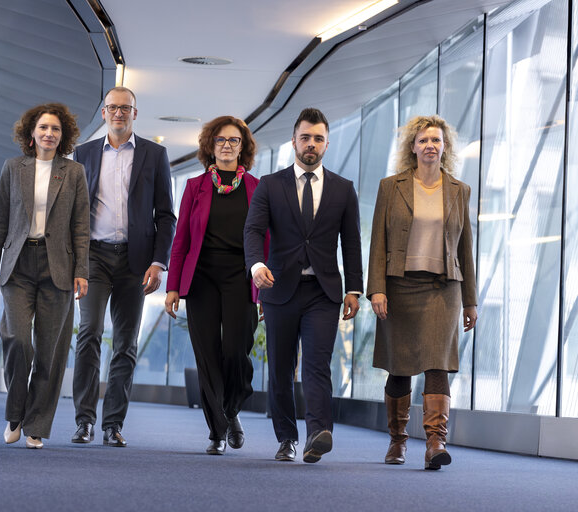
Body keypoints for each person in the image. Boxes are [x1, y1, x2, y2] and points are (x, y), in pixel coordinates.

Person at [244, 107, 363, 463]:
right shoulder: (270, 184)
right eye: (306, 137)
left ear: (327, 143)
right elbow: (253, 231)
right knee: (280, 368)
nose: (311, 144)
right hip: (279, 288)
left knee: (316, 364)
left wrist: (354, 289)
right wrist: (256, 265)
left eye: (319, 139)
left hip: (322, 292)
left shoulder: (343, 189)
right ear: (294, 140)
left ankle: (317, 433)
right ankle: (286, 438)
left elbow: (352, 242)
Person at [366, 115, 477, 470]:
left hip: (443, 290)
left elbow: (466, 250)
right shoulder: (390, 186)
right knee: (399, 368)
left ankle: (435, 444)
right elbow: (377, 243)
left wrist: (471, 300)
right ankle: (398, 442)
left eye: (436, 141)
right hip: (398, 287)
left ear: (444, 148)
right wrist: (376, 289)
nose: (430, 145)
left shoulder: (459, 190)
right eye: (424, 140)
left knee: (437, 365)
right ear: (412, 146)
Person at [71, 86, 176, 447]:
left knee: (126, 343)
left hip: (137, 261)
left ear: (135, 113)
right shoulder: (82, 153)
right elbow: (73, 213)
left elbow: (165, 215)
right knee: (89, 334)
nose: (118, 113)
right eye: (112, 107)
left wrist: (159, 263)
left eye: (125, 108)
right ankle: (84, 420)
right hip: (94, 258)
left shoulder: (154, 154)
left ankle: (112, 424)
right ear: (103, 113)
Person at [0, 103, 90, 450]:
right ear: (31, 133)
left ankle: (36, 425)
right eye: (43, 127)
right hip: (18, 264)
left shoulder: (74, 173)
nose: (49, 134)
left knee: (50, 351)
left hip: (58, 266)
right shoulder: (14, 168)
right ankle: (16, 412)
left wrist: (82, 272)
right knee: (17, 339)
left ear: (64, 135)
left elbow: (81, 228)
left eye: (55, 129)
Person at [164, 116, 266, 455]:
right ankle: (218, 431)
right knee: (207, 354)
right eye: (220, 140)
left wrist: (265, 286)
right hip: (202, 278)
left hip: (241, 276)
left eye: (234, 140)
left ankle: (231, 409)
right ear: (210, 145)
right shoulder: (195, 187)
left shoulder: (256, 187)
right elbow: (181, 241)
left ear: (243, 147)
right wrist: (173, 287)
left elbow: (267, 240)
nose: (226, 145)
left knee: (236, 350)